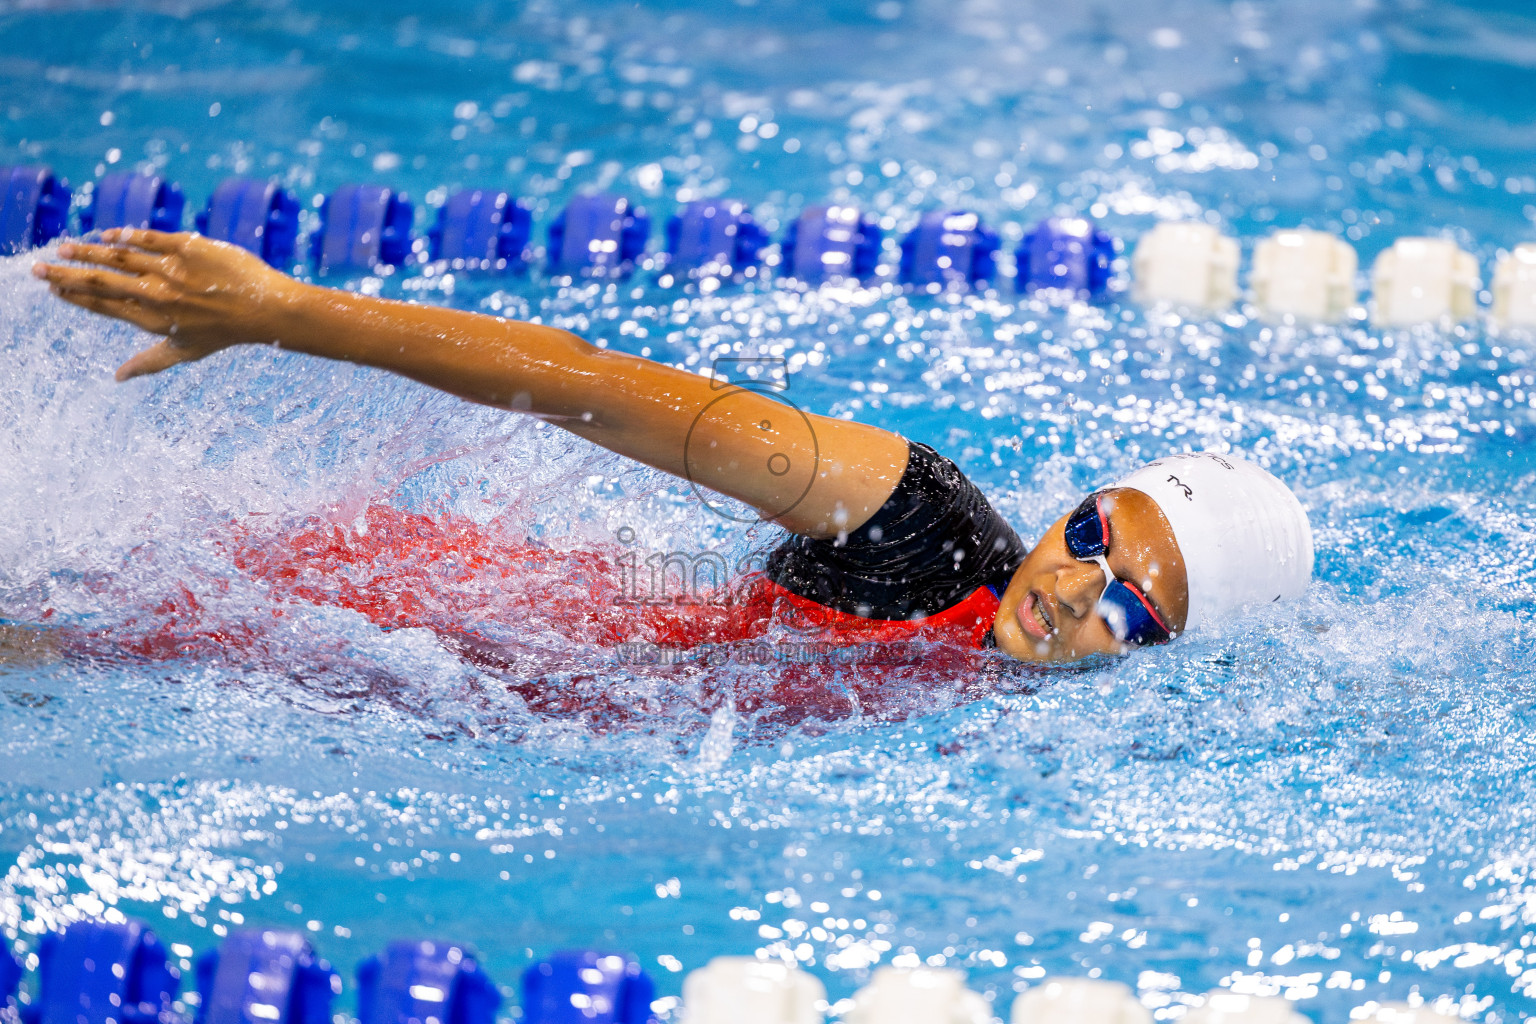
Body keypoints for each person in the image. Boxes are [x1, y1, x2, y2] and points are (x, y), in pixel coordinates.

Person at [32, 229, 1314, 666]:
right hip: (456, 626)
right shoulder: (912, 521)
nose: (1073, 585)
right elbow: (590, 386)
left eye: (1131, 607)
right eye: (1091, 533)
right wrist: (284, 312)